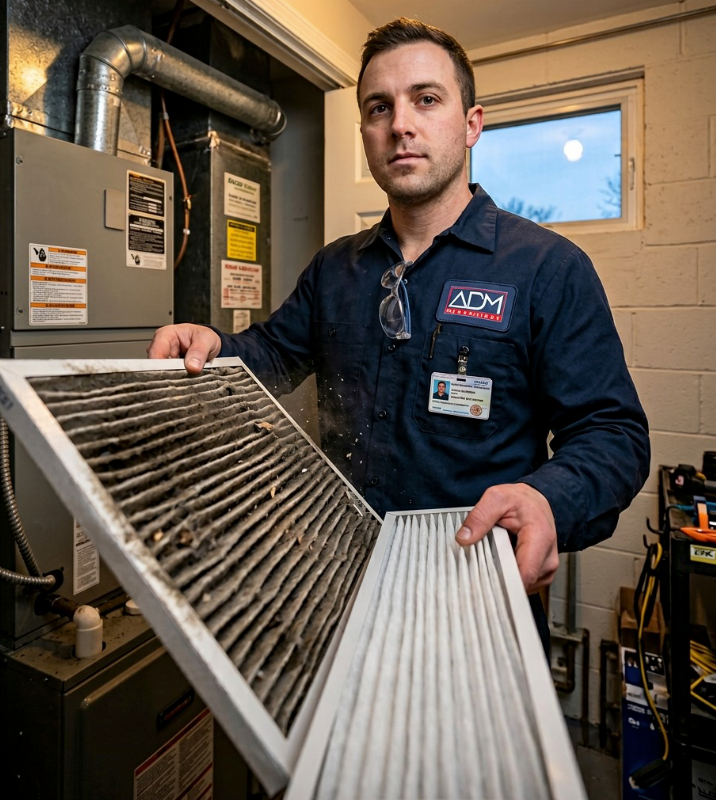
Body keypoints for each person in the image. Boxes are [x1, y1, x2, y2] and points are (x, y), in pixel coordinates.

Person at [148, 19, 650, 636]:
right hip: (338, 587)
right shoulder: (335, 268)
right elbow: (273, 352)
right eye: (378, 107)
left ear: (471, 124)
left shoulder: (548, 268)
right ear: (365, 130)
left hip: (475, 601)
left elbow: (612, 433)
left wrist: (549, 499)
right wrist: (215, 345)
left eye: (427, 99)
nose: (400, 124)